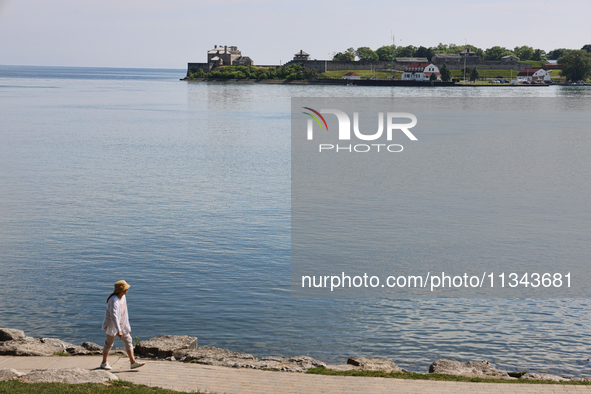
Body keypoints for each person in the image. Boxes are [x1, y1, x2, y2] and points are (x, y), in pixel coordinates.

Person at [100, 280, 145, 370]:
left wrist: (124, 325)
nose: (128, 289)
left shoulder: (123, 297)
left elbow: (124, 312)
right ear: (121, 290)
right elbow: (114, 317)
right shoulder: (113, 300)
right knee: (109, 344)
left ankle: (133, 362)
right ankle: (104, 362)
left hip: (122, 324)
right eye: (126, 288)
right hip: (112, 326)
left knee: (129, 340)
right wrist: (119, 330)